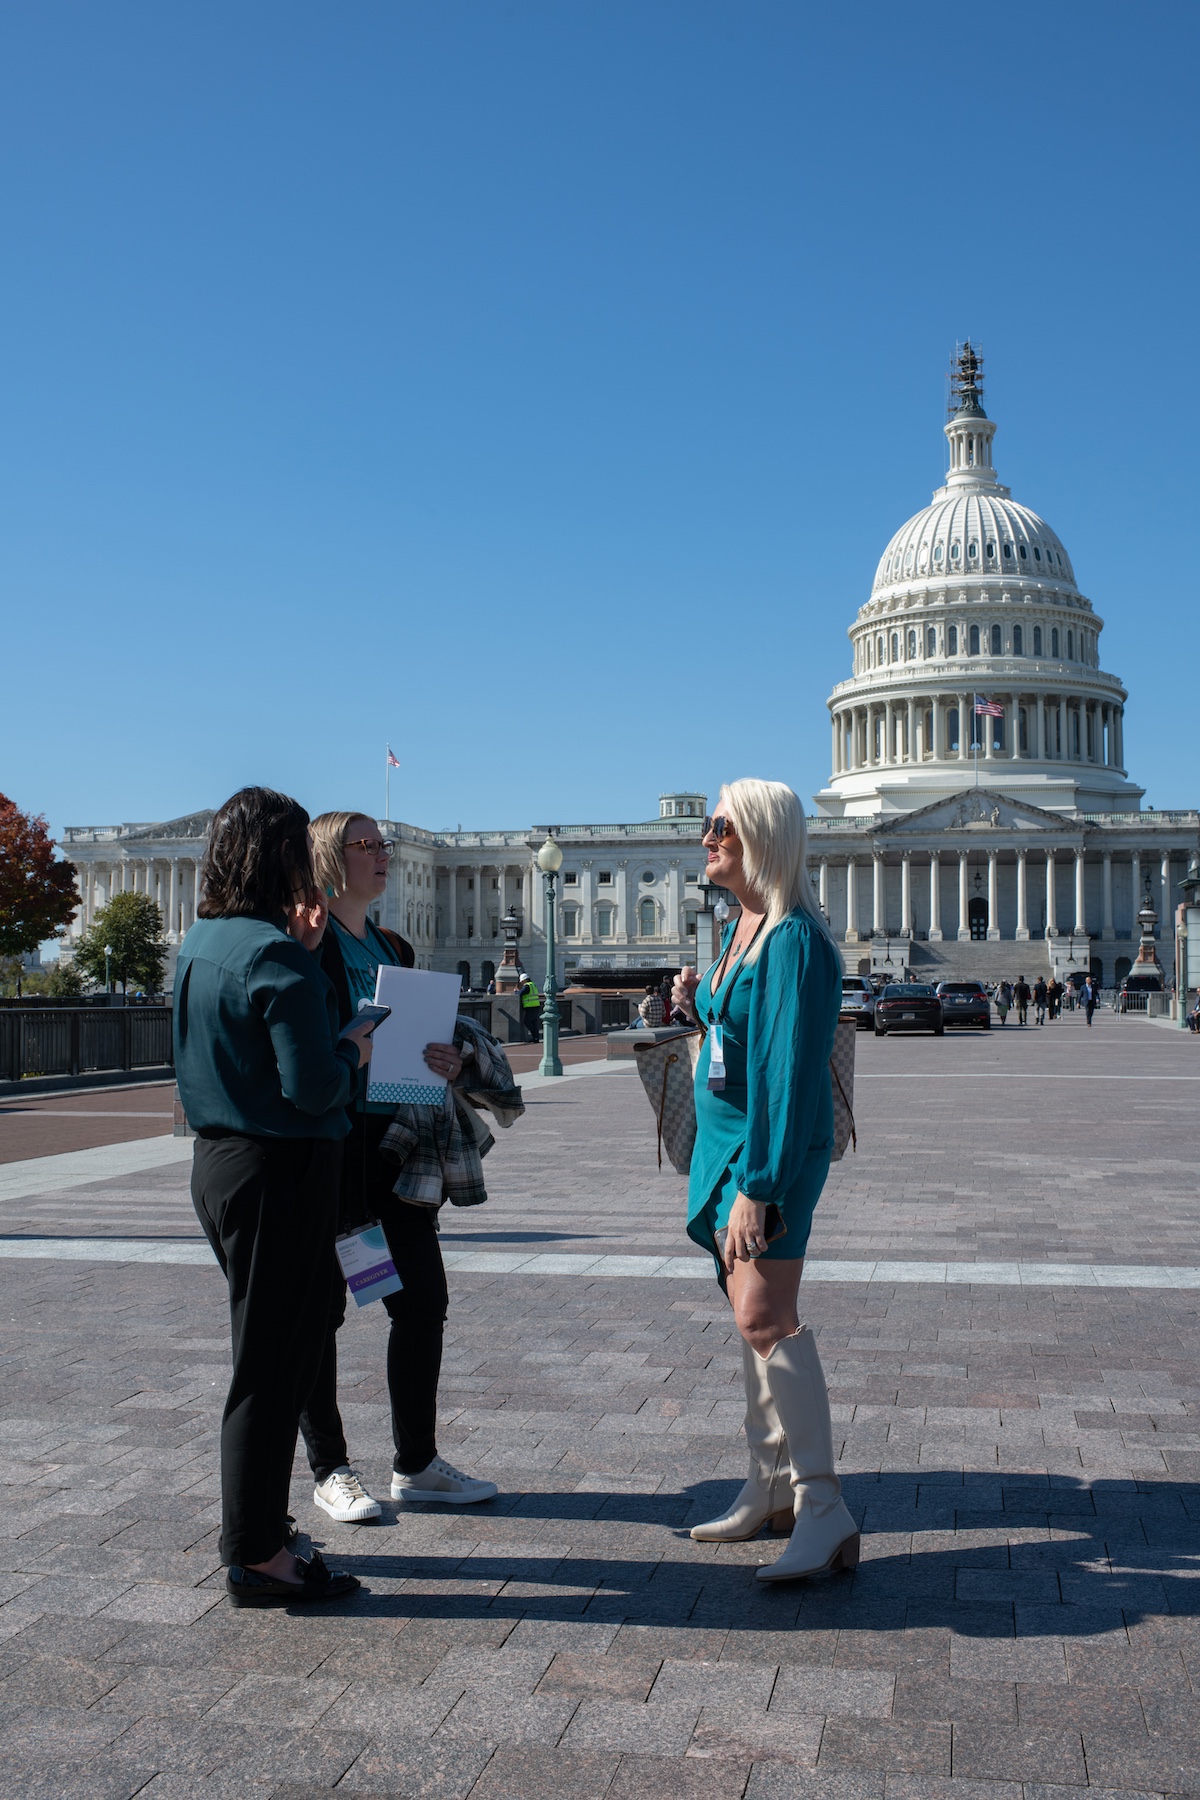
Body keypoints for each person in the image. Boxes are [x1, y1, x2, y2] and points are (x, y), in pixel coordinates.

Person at [174, 787, 376, 1606]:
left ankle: (263, 1525)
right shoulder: (277, 957)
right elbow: (315, 1087)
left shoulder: (203, 942)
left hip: (222, 1164)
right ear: (279, 856)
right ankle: (257, 1552)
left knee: (263, 1356)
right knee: (272, 1369)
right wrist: (353, 1047)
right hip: (282, 1174)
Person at [671, 780, 855, 1583]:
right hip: (725, 1150)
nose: (705, 839)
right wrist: (699, 1001)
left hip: (765, 1154)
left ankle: (823, 1507)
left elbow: (787, 1074)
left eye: (721, 827)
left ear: (763, 838)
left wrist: (761, 1185)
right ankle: (769, 1484)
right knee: (750, 1322)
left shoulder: (793, 941)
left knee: (765, 1315)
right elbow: (739, 1036)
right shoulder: (740, 927)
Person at [297, 813, 499, 1520]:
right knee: (322, 1312)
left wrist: (444, 1057)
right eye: (368, 846)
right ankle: (331, 1469)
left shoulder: (392, 943)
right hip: (334, 1145)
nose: (384, 856)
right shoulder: (309, 945)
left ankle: (415, 1463)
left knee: (420, 1304)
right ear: (330, 857)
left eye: (384, 846)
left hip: (397, 1143)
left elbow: (418, 1035)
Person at [516, 974, 541, 1041]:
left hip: (530, 1006)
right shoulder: (533, 984)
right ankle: (536, 1038)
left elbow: (521, 993)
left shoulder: (527, 986)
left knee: (527, 1022)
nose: (521, 982)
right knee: (534, 1023)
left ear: (525, 980)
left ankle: (535, 1036)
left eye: (522, 981)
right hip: (536, 1005)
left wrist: (516, 991)